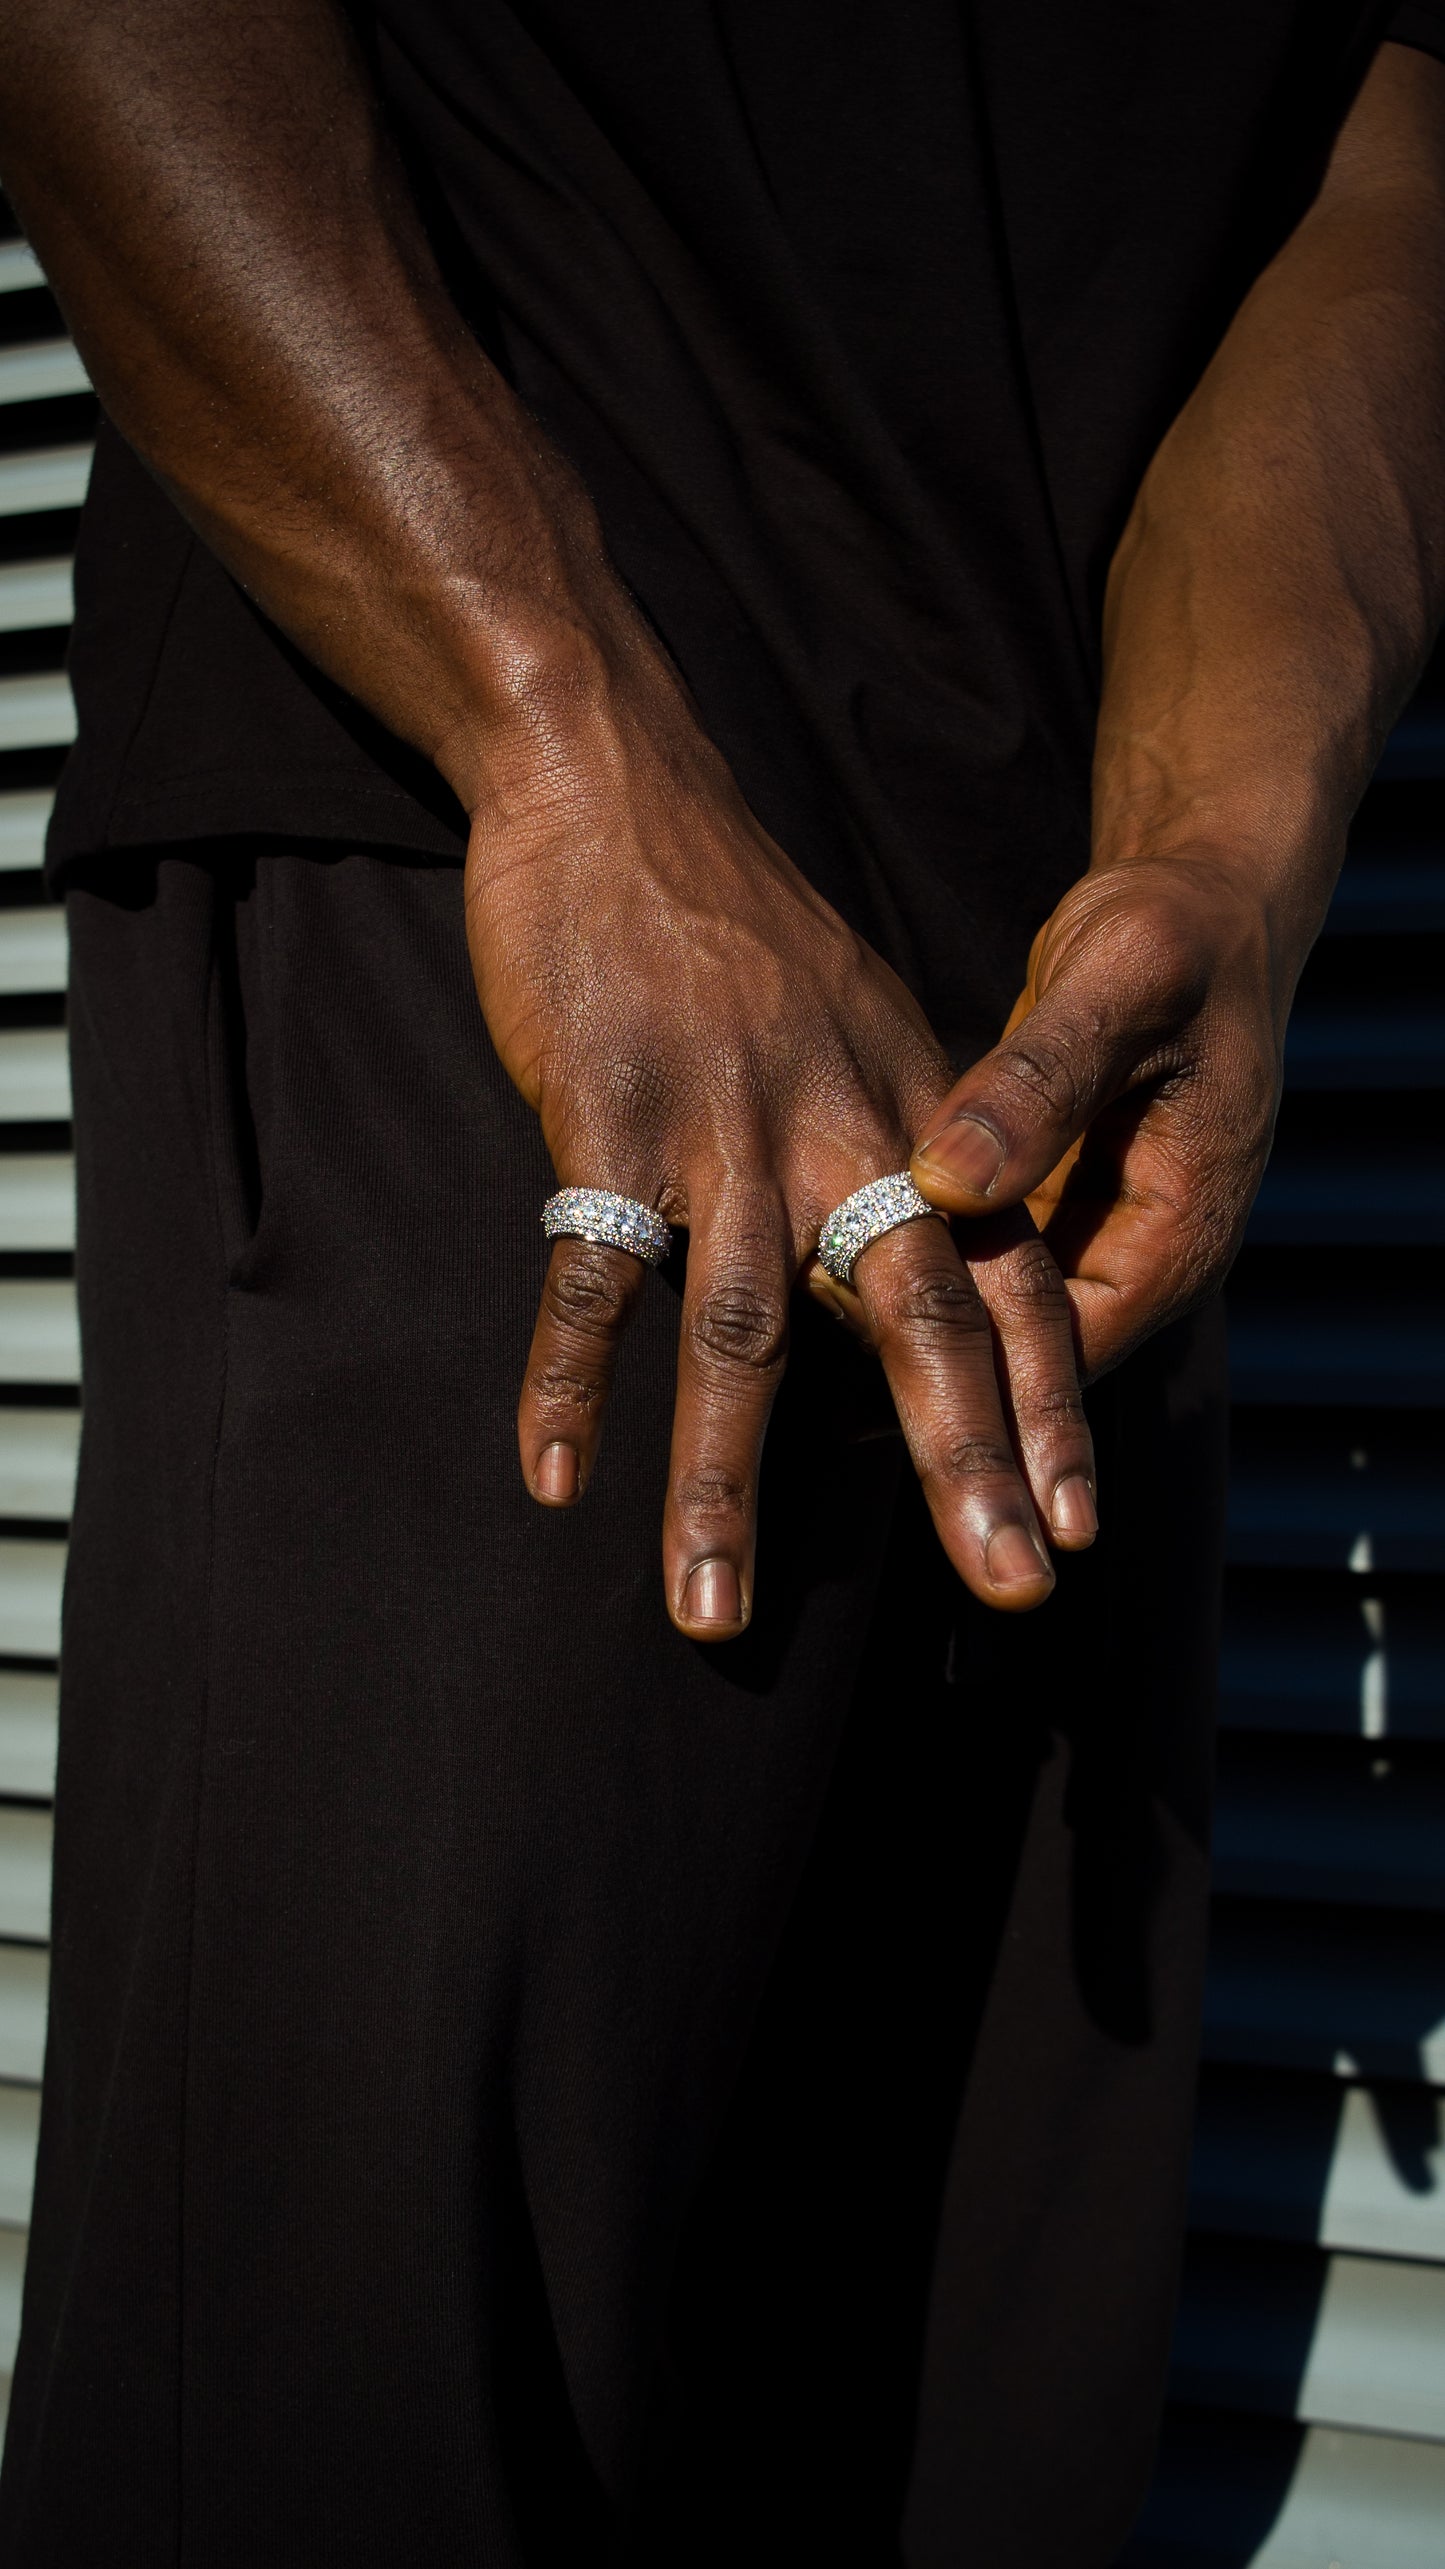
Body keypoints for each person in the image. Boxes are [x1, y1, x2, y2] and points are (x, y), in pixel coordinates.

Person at [0, 3, 1441, 2560]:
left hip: (1064, 1017)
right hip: (506, 882)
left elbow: (1388, 165)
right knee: (369, 2421)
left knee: (963, 2426)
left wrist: (1237, 826)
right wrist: (557, 727)